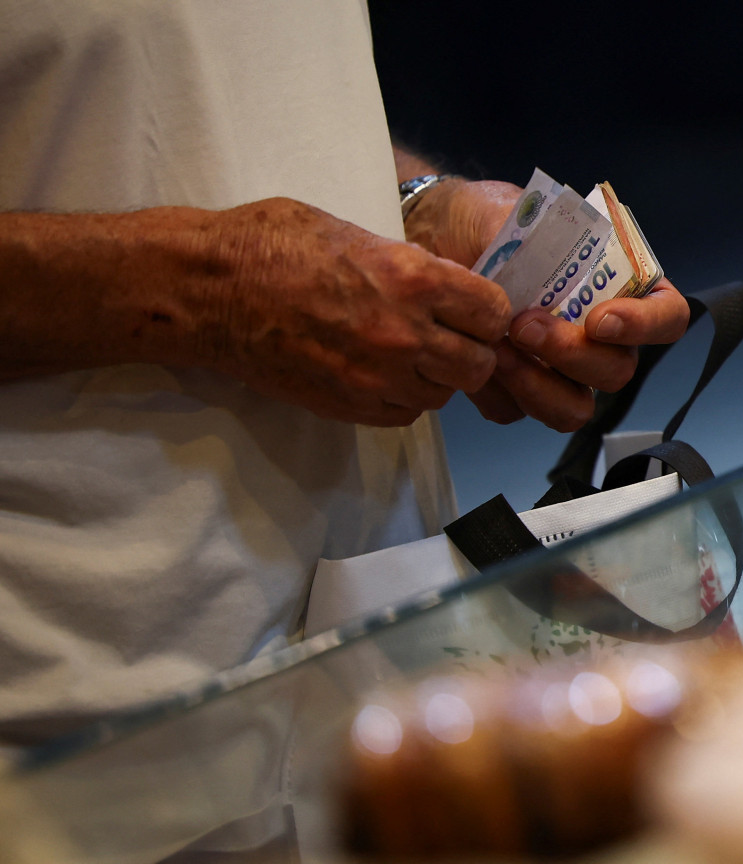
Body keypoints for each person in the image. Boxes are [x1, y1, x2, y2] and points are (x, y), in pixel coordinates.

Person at [0, 0, 690, 749]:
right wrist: (218, 286)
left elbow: (232, 87)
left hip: (386, 643)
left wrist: (418, 210)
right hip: (77, 711)